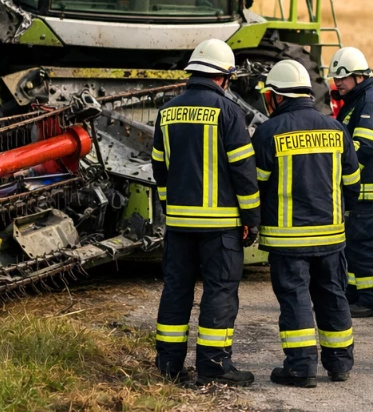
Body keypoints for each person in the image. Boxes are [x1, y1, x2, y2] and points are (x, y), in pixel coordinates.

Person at [151, 39, 261, 386]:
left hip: (180, 225)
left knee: (176, 290)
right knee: (219, 292)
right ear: (224, 78)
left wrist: (172, 208)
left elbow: (159, 169)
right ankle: (214, 366)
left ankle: (169, 365)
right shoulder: (229, 113)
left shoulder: (166, 112)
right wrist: (251, 220)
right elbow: (244, 172)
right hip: (221, 227)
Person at [253, 59, 361, 387]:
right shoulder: (335, 128)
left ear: (276, 96)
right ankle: (339, 363)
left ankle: (301, 367)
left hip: (288, 239)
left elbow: (256, 184)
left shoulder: (269, 132)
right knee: (332, 294)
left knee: (296, 297)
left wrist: (252, 221)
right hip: (331, 235)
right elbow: (353, 182)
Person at [328, 47, 373, 318]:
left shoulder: (369, 101)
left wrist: (341, 171)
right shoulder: (358, 100)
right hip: (361, 190)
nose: (338, 83)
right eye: (336, 78)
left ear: (358, 76)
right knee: (354, 243)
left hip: (368, 190)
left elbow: (364, 146)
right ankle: (355, 294)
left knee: (363, 245)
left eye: (343, 78)